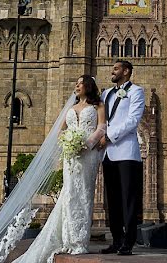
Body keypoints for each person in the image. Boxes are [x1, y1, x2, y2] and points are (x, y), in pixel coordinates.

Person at [11, 74, 107, 262]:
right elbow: (61, 131)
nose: (77, 86)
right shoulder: (70, 108)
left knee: (84, 195)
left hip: (88, 155)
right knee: (69, 194)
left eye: (80, 83)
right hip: (71, 157)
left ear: (88, 86)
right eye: (76, 83)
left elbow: (102, 127)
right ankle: (67, 239)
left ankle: (79, 241)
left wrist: (86, 144)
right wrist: (67, 143)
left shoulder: (98, 106)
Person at [99, 60, 145, 255]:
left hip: (126, 152)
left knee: (128, 199)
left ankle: (129, 241)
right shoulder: (106, 93)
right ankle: (116, 239)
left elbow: (133, 120)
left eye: (116, 68)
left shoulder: (136, 91)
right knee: (113, 199)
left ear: (126, 72)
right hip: (107, 154)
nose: (112, 71)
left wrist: (109, 136)